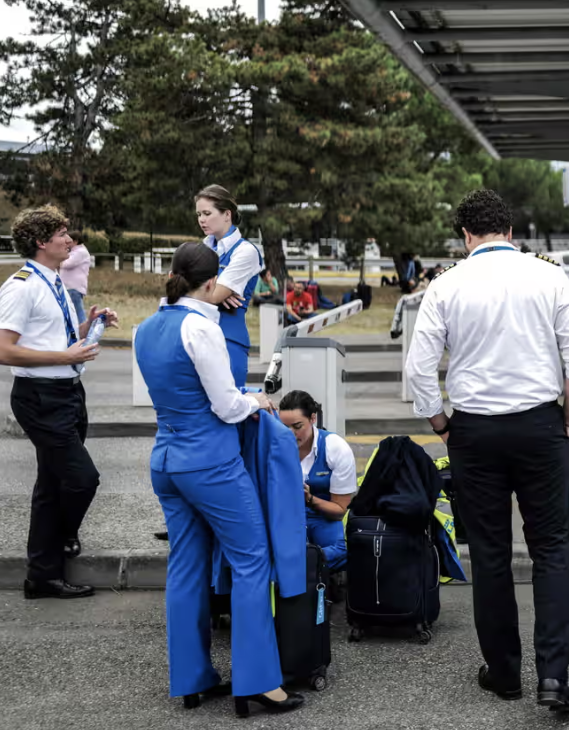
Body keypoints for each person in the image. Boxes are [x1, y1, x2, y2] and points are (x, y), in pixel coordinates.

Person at [405, 189, 569, 714]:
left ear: (466, 236)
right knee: (552, 550)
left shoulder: (445, 285)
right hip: (540, 426)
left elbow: (418, 371)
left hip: (474, 431)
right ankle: (553, 678)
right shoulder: (549, 276)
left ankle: (505, 673)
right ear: (509, 231)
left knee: (489, 554)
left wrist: (442, 424)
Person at [134, 242, 303, 716]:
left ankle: (191, 678)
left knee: (186, 566)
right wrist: (259, 402)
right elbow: (226, 406)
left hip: (165, 459)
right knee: (252, 561)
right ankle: (258, 682)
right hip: (209, 463)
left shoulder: (145, 327)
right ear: (212, 283)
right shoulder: (200, 327)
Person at [0, 206, 115, 600]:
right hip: (40, 397)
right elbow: (4, 350)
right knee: (82, 478)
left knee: (51, 486)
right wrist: (64, 358)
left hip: (67, 393)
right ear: (40, 242)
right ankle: (63, 537)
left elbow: (54, 337)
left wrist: (90, 325)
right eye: (62, 233)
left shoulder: (54, 281)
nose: (69, 239)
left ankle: (43, 576)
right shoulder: (22, 285)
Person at [278, 390, 357, 571]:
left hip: (323, 517)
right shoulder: (273, 446)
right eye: (284, 427)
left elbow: (339, 511)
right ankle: (312, 564)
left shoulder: (335, 448)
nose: (290, 434)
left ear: (313, 418)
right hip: (286, 517)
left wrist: (310, 500)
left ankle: (304, 564)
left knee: (346, 549)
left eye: (297, 426)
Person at [196, 185, 263, 387]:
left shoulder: (245, 251)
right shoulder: (202, 247)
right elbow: (174, 288)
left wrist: (195, 289)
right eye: (199, 214)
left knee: (228, 413)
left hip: (228, 341)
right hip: (197, 339)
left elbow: (213, 296)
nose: (201, 219)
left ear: (227, 214)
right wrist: (213, 290)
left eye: (207, 213)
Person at [60, 230, 91, 324]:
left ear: (75, 241)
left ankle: (85, 334)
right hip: (69, 287)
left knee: (78, 314)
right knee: (72, 313)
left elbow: (67, 264)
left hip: (73, 287)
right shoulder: (75, 251)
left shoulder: (80, 252)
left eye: (69, 241)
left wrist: (57, 259)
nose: (66, 243)